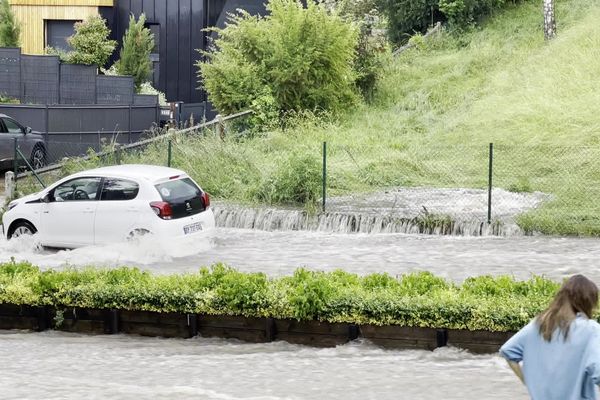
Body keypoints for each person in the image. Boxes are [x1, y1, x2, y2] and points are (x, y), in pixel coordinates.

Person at [500, 274, 600, 399]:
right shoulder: (590, 329)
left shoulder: (539, 325)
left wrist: (528, 383)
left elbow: (508, 352)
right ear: (587, 302)